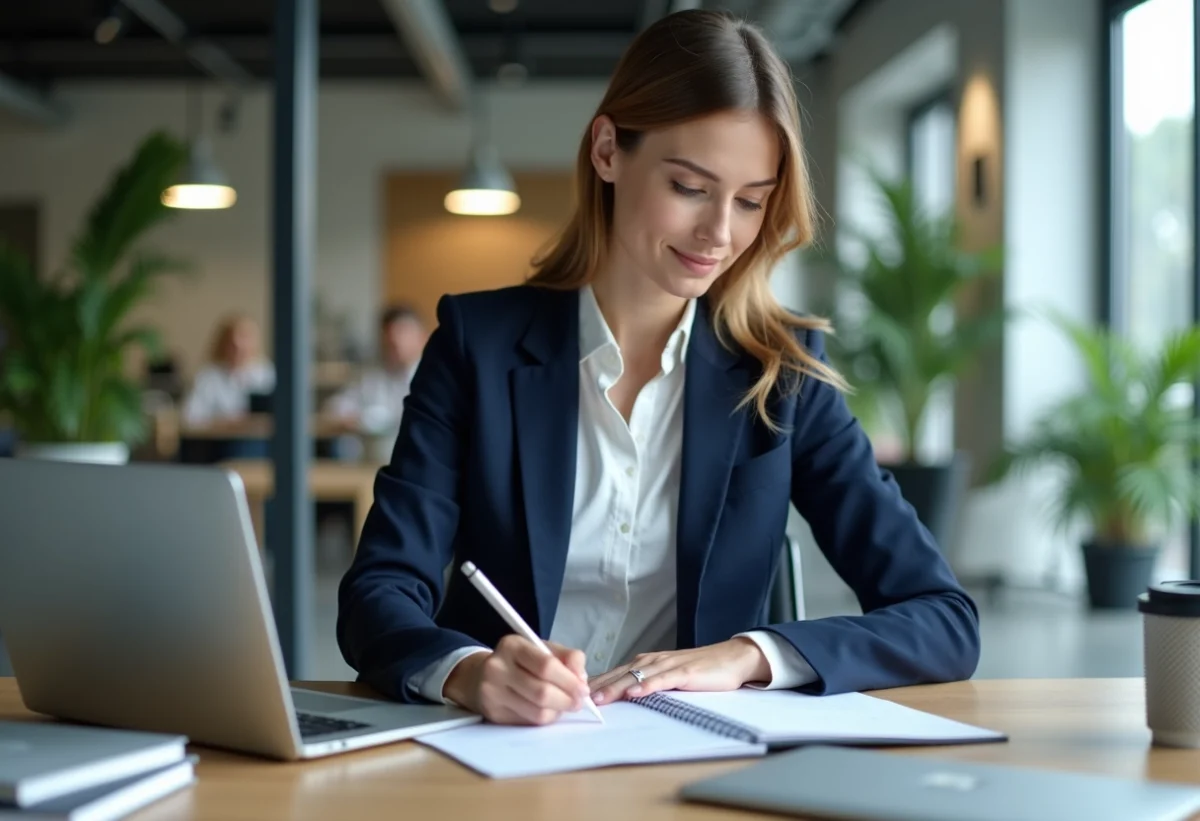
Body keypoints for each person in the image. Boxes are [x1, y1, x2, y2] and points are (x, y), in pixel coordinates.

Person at [337, 9, 979, 727]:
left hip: (689, 761)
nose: (720, 233)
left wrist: (746, 654)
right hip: (498, 754)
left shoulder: (783, 373)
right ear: (608, 150)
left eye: (751, 202)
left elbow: (944, 618)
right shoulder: (476, 344)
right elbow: (378, 594)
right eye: (690, 188)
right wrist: (468, 672)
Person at [324, 304, 426, 437]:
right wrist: (354, 419)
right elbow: (336, 407)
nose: (396, 341)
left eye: (403, 332)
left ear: (422, 337)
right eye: (390, 335)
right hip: (374, 452)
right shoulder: (372, 376)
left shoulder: (433, 378)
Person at [181, 313, 275, 429]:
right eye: (232, 343)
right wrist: (228, 422)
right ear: (222, 344)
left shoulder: (268, 374)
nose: (239, 346)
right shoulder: (208, 377)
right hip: (218, 442)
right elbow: (190, 417)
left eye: (245, 338)